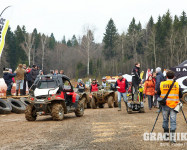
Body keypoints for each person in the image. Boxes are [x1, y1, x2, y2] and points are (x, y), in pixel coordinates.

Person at [157, 70, 183, 143]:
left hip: (165, 105)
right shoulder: (177, 84)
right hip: (174, 105)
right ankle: (172, 138)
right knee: (173, 121)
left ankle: (166, 137)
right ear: (173, 77)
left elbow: (158, 93)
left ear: (166, 76)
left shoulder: (162, 84)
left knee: (165, 120)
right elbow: (180, 95)